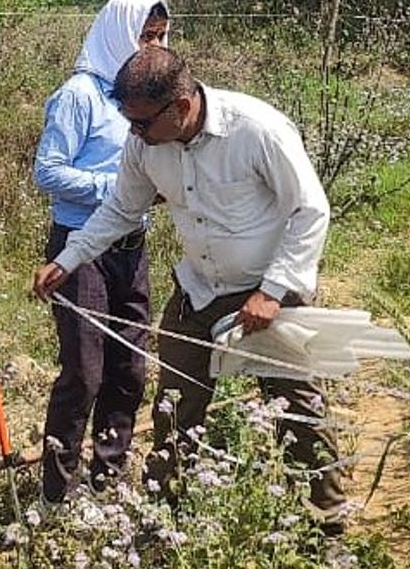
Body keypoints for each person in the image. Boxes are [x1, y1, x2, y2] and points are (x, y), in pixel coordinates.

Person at [34, 46, 345, 525]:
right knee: (174, 409)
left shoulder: (256, 130)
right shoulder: (146, 144)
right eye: (128, 123)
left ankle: (325, 524)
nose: (132, 134)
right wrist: (70, 258)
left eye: (140, 124)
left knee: (298, 410)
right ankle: (168, 519)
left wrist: (273, 290)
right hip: (197, 291)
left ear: (180, 108)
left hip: (270, 295)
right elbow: (123, 207)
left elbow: (310, 211)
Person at [33, 0, 167, 504]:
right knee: (84, 372)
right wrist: (115, 190)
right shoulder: (80, 95)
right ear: (118, 33)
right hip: (81, 245)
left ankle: (107, 480)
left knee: (130, 365)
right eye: (143, 36)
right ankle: (57, 493)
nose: (151, 48)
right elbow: (49, 171)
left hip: (130, 245)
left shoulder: (146, 95)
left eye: (159, 37)